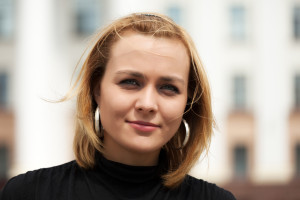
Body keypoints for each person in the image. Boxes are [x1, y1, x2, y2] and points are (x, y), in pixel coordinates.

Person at [0, 12, 236, 200]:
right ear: (96, 90)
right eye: (130, 82)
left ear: (187, 102)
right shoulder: (29, 193)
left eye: (168, 88)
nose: (147, 104)